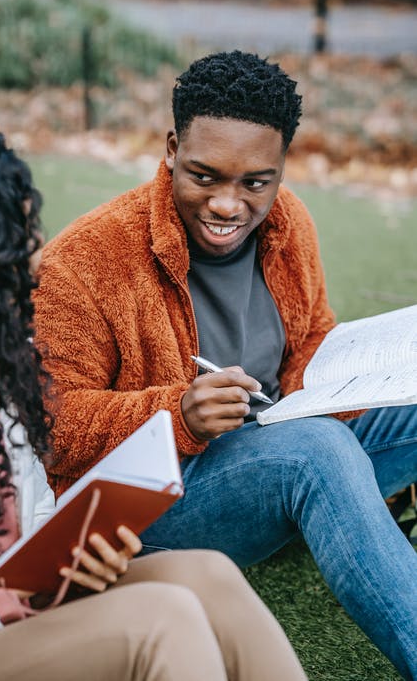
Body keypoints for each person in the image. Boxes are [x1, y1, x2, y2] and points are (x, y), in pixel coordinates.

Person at [34, 50, 417, 680]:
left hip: (275, 443)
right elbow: (49, 430)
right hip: (153, 507)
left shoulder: (289, 222)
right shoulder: (87, 261)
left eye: (255, 182)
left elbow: (310, 339)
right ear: (169, 150)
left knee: (334, 432)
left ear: (281, 168)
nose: (228, 204)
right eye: (204, 176)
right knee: (316, 450)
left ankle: (334, 507)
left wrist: (331, 386)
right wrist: (177, 411)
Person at [0, 117, 308, 681]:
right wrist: (10, 589)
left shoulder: (0, 357)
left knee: (207, 576)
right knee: (161, 618)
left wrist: (69, 546)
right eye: (12, 251)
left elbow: (23, 506)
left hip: (14, 604)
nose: (33, 263)